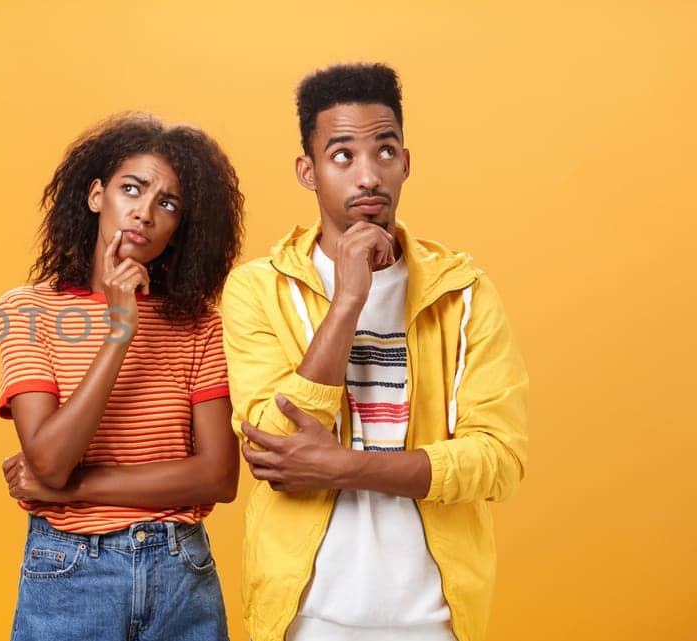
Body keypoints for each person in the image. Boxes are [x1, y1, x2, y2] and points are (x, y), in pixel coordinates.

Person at [221, 63, 530, 641]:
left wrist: (344, 467)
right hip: (307, 615)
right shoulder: (257, 288)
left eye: (385, 151)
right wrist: (348, 301)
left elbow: (499, 459)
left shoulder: (463, 293)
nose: (368, 175)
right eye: (342, 156)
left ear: (406, 162)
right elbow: (273, 446)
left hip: (435, 618)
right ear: (307, 171)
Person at [0, 111, 244, 641]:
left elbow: (219, 477)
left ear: (180, 229)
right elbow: (49, 460)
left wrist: (70, 492)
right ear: (95, 196)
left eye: (167, 203)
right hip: (69, 575)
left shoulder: (199, 325)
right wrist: (119, 330)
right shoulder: (27, 310)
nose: (145, 213)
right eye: (132, 188)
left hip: (182, 574)